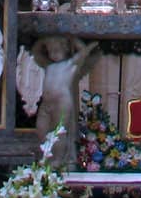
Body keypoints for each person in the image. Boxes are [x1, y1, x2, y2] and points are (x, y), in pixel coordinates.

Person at [32, 35, 100, 167]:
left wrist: (71, 38)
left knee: (58, 132)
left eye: (57, 51)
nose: (54, 54)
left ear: (65, 49)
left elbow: (83, 52)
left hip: (61, 101)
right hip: (46, 103)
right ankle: (46, 155)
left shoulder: (70, 64)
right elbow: (36, 53)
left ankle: (58, 159)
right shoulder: (49, 65)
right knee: (41, 129)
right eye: (51, 51)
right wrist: (42, 39)